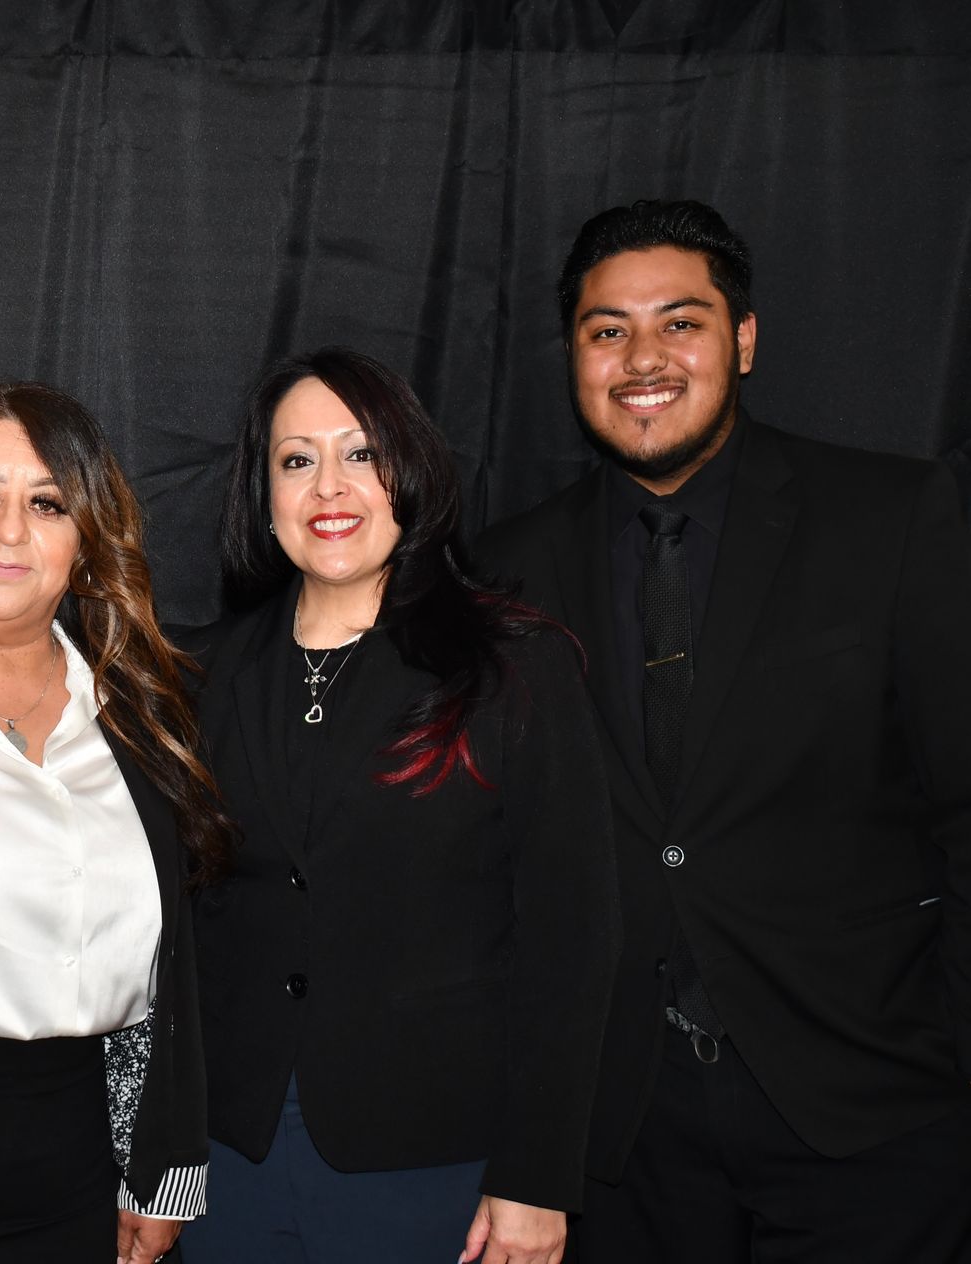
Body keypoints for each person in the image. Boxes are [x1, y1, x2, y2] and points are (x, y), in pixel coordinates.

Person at [478, 199, 971, 1262]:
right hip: (625, 1139)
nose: (641, 358)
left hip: (872, 1109)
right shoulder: (510, 569)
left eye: (681, 321)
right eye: (606, 330)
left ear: (743, 340)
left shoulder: (888, 515)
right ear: (574, 355)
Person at [178, 347, 619, 1264]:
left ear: (410, 473)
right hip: (233, 1154)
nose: (329, 487)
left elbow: (571, 938)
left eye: (362, 454)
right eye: (297, 460)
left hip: (433, 1161)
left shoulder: (513, 666)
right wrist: (166, 1170)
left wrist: (537, 1176)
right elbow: (178, 941)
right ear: (262, 492)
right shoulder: (203, 675)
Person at [0, 380, 224, 1264]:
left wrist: (162, 1172)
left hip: (83, 1166)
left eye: (48, 503)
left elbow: (171, 962)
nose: (10, 531)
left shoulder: (146, 711)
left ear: (87, 544)